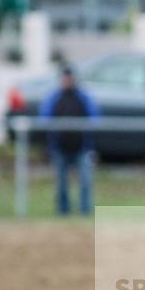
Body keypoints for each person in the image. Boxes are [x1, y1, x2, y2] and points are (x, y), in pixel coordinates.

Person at [39, 66, 99, 216]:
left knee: (85, 181)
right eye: (65, 78)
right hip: (60, 147)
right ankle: (63, 211)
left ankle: (85, 210)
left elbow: (95, 118)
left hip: (82, 147)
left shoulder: (83, 97)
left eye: (70, 78)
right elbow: (44, 118)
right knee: (61, 183)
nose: (67, 81)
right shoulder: (54, 97)